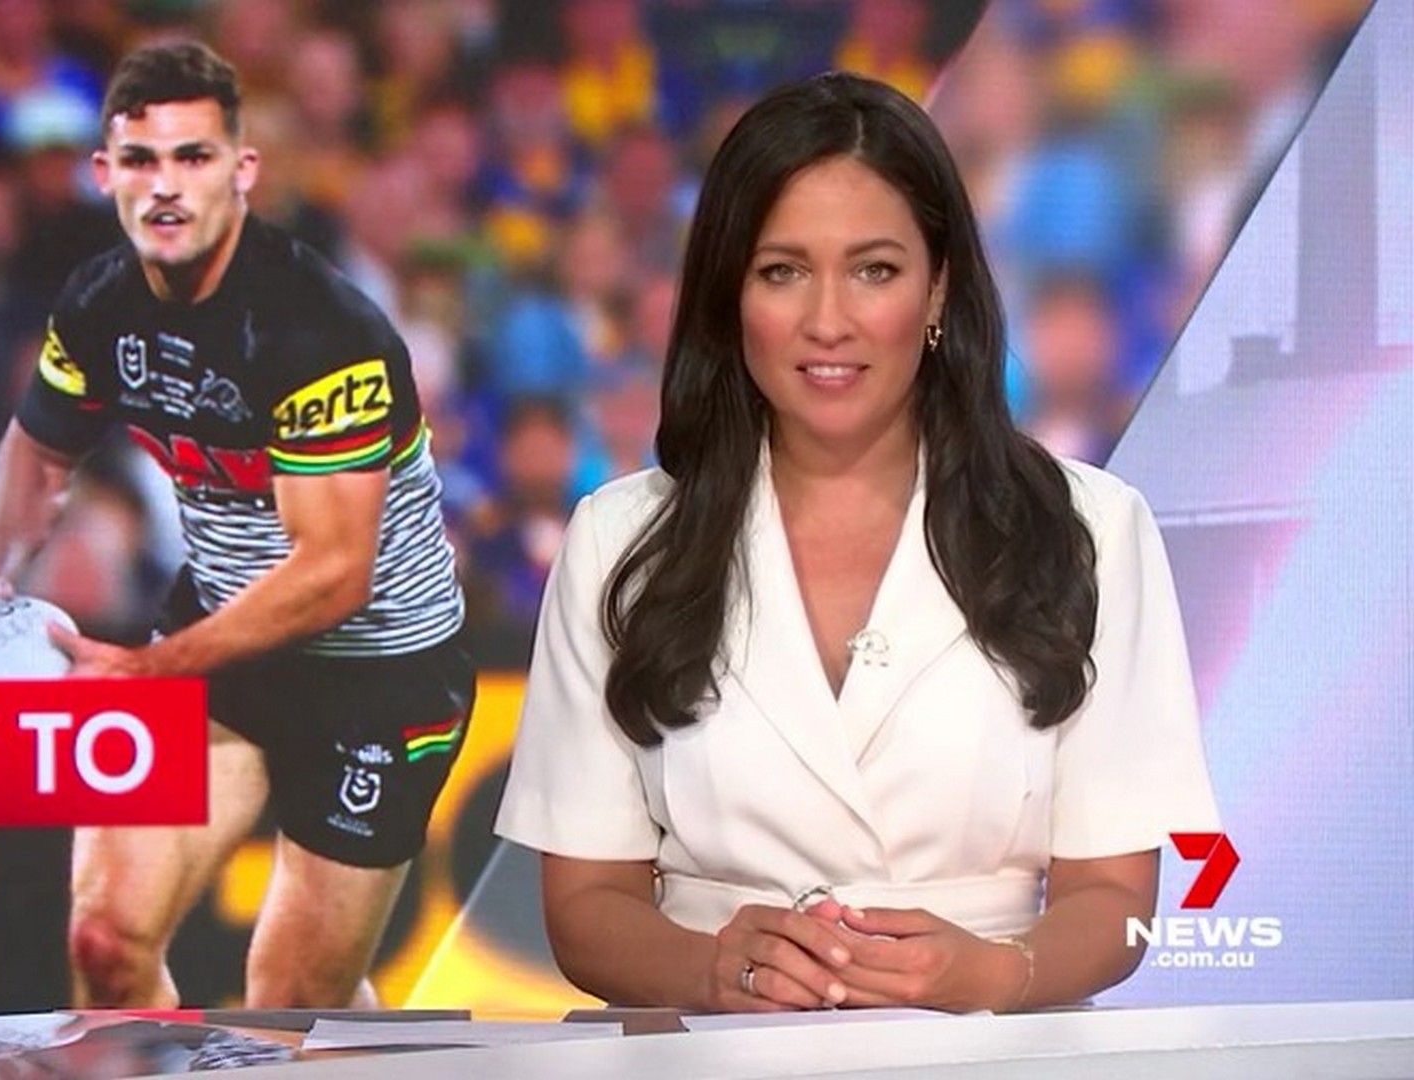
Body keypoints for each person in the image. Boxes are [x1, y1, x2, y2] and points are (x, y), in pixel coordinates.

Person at [494, 72, 1218, 1014]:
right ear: (729, 294)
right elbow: (587, 903)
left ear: (938, 287)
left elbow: (1117, 901)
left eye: (874, 270)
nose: (827, 321)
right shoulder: (620, 540)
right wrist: (711, 971)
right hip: (708, 1055)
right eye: (782, 271)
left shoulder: (1090, 530)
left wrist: (992, 973)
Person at [0, 41, 474, 1009]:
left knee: (292, 1005)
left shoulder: (322, 332)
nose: (166, 185)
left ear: (242, 171)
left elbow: (334, 574)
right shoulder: (100, 303)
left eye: (193, 157)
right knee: (105, 943)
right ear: (106, 173)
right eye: (142, 160)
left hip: (378, 671)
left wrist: (154, 666)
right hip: (220, 635)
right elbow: (38, 451)